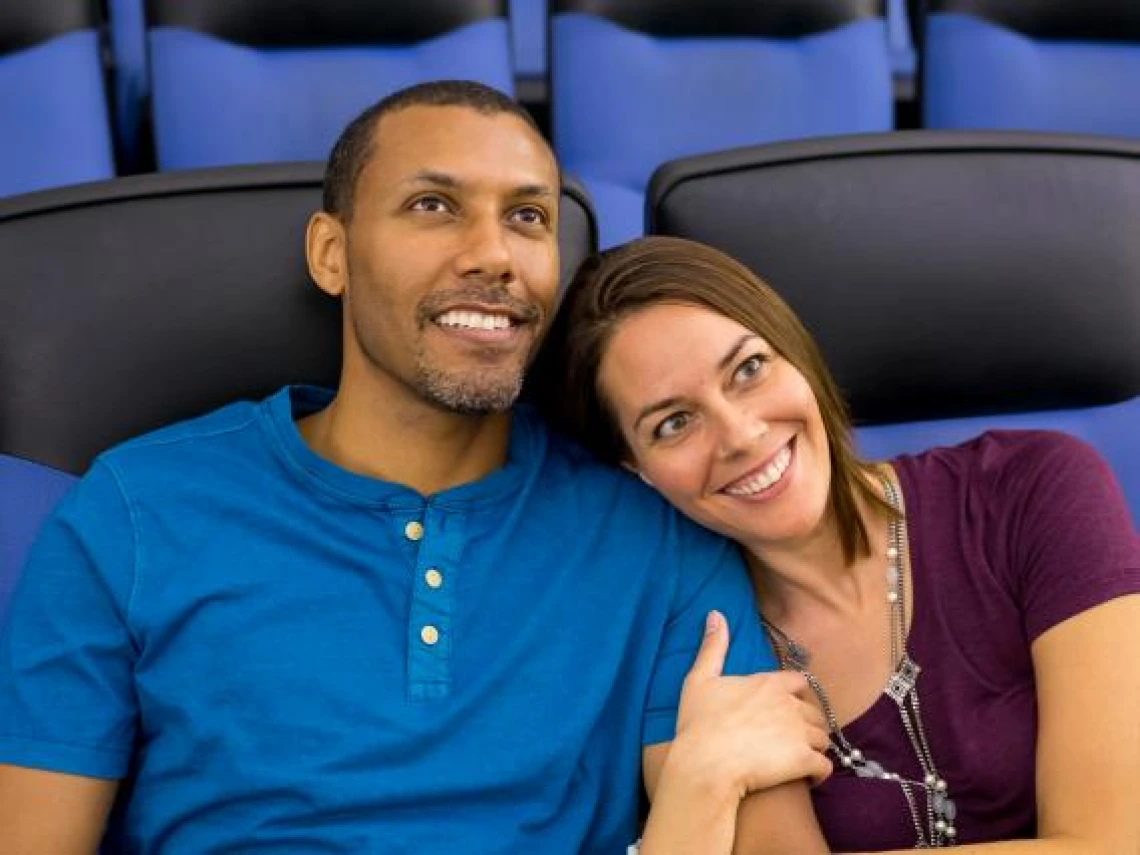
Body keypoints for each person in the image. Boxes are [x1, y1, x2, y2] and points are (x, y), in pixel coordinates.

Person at [0, 85, 830, 853]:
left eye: (529, 217)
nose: (494, 254)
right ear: (331, 254)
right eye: (433, 206)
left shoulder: (655, 530)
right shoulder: (136, 510)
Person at [541, 235, 1140, 853]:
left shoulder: (1034, 487)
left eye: (748, 369)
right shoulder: (694, 646)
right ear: (635, 468)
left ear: (794, 349)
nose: (741, 435)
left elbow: (1116, 842)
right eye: (674, 423)